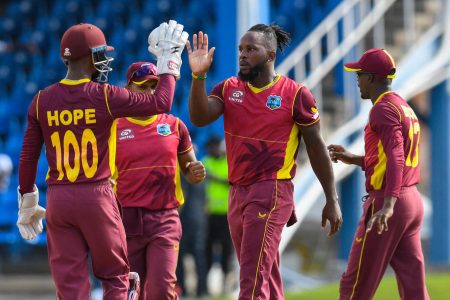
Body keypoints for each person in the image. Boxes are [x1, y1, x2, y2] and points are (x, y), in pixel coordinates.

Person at [17, 21, 188, 299]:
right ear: (92, 57)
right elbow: (161, 103)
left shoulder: (40, 100)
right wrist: (169, 61)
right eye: (101, 54)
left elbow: (28, 156)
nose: (104, 61)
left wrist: (27, 200)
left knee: (70, 287)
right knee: (116, 278)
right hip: (96, 196)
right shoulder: (105, 96)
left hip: (58, 199)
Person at [186, 23, 343, 299]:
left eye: (251, 49)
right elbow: (199, 118)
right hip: (237, 193)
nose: (243, 55)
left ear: (270, 55)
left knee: (251, 279)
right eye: (240, 50)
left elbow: (317, 149)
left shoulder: (295, 95)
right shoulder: (228, 89)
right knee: (265, 274)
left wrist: (332, 199)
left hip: (271, 190)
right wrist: (198, 77)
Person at [328, 48, 429, 300]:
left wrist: (388, 204)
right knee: (414, 288)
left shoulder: (381, 110)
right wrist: (353, 159)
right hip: (411, 201)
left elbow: (395, 156)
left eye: (359, 74)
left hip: (389, 201)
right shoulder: (403, 106)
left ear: (372, 78)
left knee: (354, 286)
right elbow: (393, 159)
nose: (357, 80)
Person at [113, 61, 206, 300]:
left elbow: (190, 170)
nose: (149, 92)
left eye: (154, 86)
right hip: (126, 219)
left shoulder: (174, 125)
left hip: (164, 218)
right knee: (132, 293)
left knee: (161, 291)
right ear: (128, 88)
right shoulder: (113, 127)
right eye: (142, 86)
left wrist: (194, 172)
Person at [203, 136, 233, 294]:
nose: (213, 150)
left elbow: (231, 181)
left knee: (226, 249)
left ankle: (225, 283)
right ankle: (206, 285)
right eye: (211, 147)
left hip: (226, 214)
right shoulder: (206, 162)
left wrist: (213, 177)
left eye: (215, 147)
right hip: (209, 215)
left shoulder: (227, 162)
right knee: (207, 249)